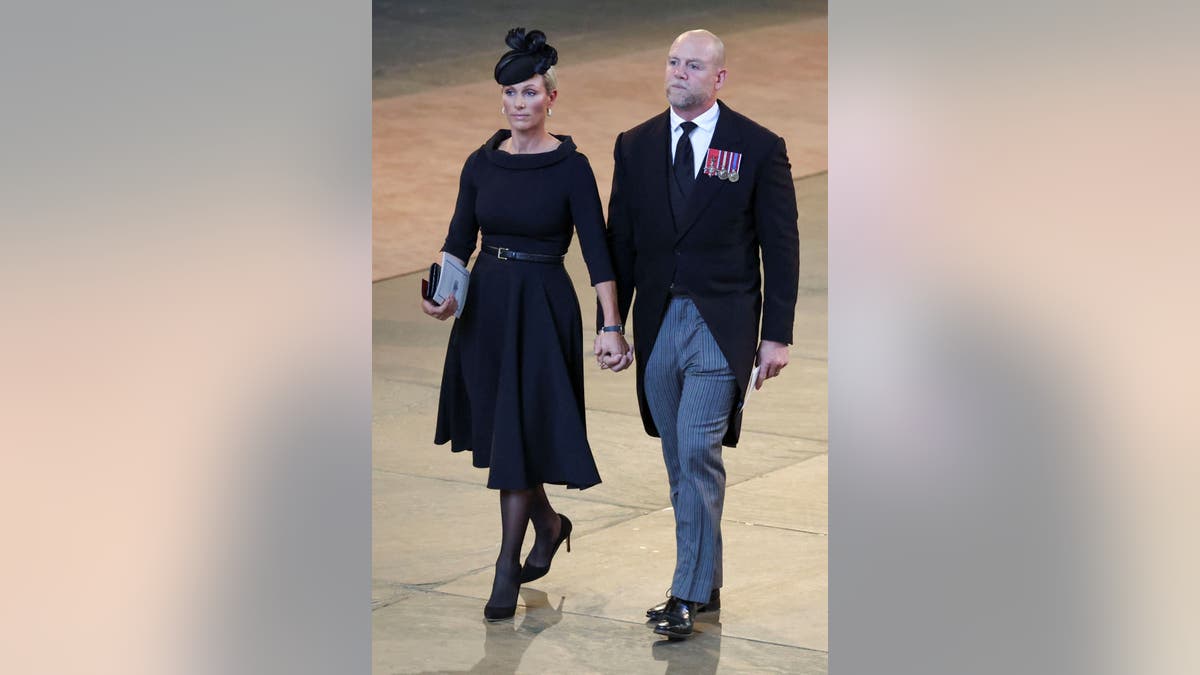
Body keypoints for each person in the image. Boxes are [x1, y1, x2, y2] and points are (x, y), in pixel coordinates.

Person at [597, 28, 800, 639]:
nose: (679, 73)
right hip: (659, 324)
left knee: (696, 451)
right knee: (676, 457)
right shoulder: (634, 146)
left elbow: (780, 246)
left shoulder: (757, 147)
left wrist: (777, 334)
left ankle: (685, 593)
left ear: (720, 78)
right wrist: (613, 325)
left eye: (693, 66)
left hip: (723, 323)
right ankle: (705, 578)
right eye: (673, 62)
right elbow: (622, 245)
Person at [422, 27, 630, 622]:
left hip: (543, 304)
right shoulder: (481, 162)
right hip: (486, 307)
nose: (519, 103)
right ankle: (549, 523)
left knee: (519, 432)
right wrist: (444, 294)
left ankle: (506, 565)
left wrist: (610, 326)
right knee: (505, 432)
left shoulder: (571, 166)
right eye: (510, 93)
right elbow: (459, 243)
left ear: (551, 99)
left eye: (531, 92)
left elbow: (597, 251)